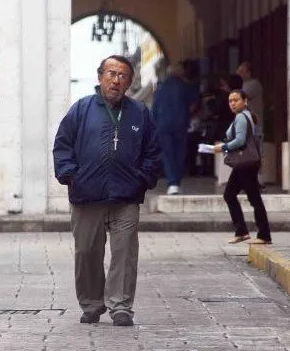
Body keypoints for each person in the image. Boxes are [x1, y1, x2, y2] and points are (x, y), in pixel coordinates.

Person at [53, 55, 160, 327]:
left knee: (125, 253)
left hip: (126, 196)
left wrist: (144, 178)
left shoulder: (139, 112)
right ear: (100, 76)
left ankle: (121, 306)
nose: (116, 80)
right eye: (111, 73)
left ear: (130, 82)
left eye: (122, 75)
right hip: (87, 195)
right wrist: (70, 175)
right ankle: (91, 304)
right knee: (87, 252)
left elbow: (152, 151)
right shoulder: (81, 109)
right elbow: (62, 144)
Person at [212, 89, 272, 244]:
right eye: (230, 100)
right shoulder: (245, 116)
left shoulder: (241, 117)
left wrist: (223, 147)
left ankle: (263, 235)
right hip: (247, 163)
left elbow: (239, 141)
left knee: (252, 198)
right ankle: (242, 231)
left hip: (245, 164)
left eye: (236, 100)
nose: (232, 103)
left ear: (245, 101)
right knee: (231, 195)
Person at [152, 62, 200, 195]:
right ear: (180, 73)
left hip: (163, 125)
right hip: (180, 124)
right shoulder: (185, 86)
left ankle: (172, 183)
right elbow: (195, 101)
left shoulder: (160, 87)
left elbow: (154, 108)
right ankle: (176, 181)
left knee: (167, 154)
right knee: (180, 153)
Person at [237, 61, 266, 187]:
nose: (239, 73)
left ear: (249, 72)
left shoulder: (254, 84)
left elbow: (242, 99)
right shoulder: (244, 84)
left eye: (241, 71)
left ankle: (258, 180)